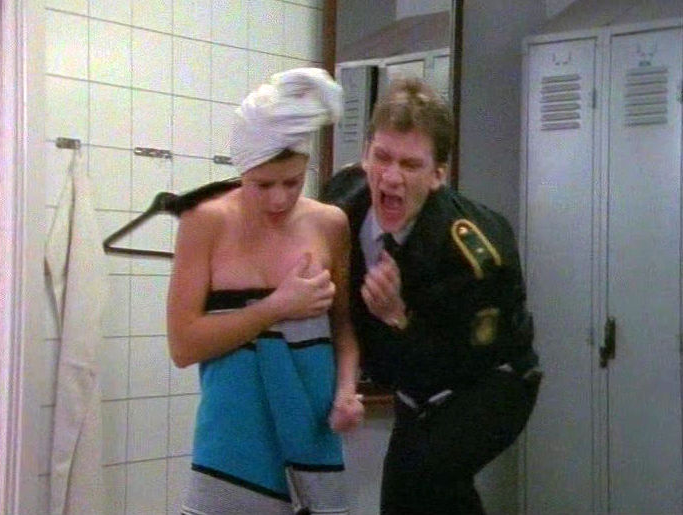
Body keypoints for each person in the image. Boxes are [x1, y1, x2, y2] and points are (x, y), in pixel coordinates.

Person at [321, 77, 541, 514]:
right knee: (401, 500)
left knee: (432, 477)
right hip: (415, 389)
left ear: (438, 174)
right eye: (381, 157)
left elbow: (458, 360)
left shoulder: (474, 252)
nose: (391, 177)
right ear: (365, 154)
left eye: (410, 164)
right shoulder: (340, 205)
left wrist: (398, 318)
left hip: (492, 380)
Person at [167, 68, 364, 515]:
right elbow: (183, 345)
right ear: (242, 171)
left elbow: (344, 329)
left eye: (292, 182)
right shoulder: (206, 222)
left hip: (311, 426)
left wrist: (346, 391)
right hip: (232, 436)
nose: (279, 199)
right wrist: (276, 306)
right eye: (263, 185)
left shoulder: (329, 224)